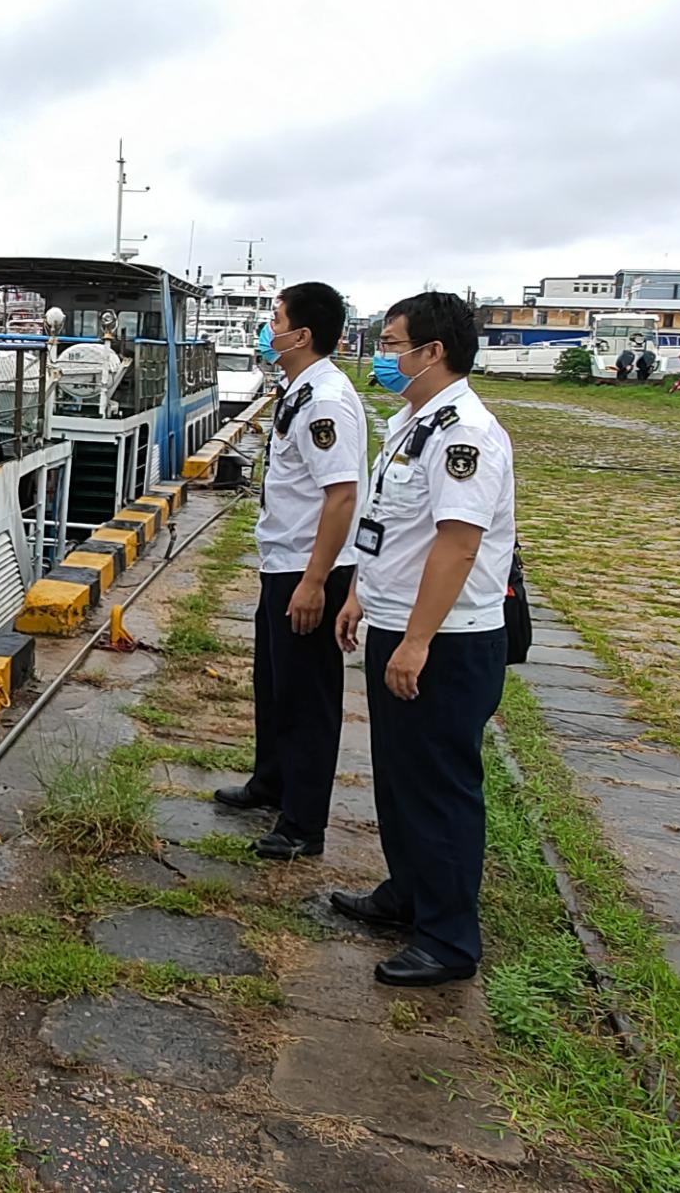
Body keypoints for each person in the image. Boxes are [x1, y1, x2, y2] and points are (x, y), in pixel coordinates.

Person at [333, 292, 516, 987]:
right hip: (396, 621)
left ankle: (447, 939)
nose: (384, 355)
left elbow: (456, 546)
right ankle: (406, 894)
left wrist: (415, 641)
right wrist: (359, 594)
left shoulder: (464, 432)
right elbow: (388, 526)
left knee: (439, 786)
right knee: (400, 776)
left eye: (392, 342)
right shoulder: (414, 423)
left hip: (444, 641)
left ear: (431, 351)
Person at [215, 283, 368, 862]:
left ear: (301, 335)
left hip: (311, 568)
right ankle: (270, 782)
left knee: (307, 697)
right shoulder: (300, 390)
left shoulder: (326, 399)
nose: (267, 328)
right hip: (283, 560)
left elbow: (341, 496)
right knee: (275, 684)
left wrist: (312, 580)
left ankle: (304, 823)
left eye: (274, 319)